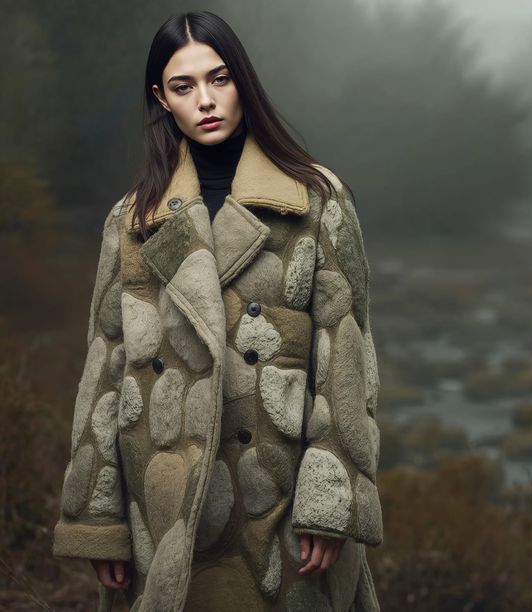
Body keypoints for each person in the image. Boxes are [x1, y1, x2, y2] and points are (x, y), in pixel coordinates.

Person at [51, 10, 383, 611]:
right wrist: (97, 518)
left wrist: (327, 503)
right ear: (162, 99)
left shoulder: (314, 202)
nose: (206, 100)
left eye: (220, 78)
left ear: (243, 82)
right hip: (165, 505)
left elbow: (346, 362)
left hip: (277, 504)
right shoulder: (133, 221)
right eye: (184, 86)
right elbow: (104, 372)